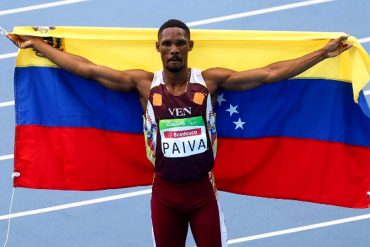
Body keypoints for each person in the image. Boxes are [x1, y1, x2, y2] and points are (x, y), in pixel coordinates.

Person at [7, 19, 352, 247]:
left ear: (190, 47)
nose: (174, 49)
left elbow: (269, 74)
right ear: (158, 48)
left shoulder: (210, 81)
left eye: (180, 43)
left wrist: (323, 53)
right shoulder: (144, 84)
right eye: (167, 44)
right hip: (165, 196)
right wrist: (39, 45)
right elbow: (87, 70)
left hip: (203, 194)